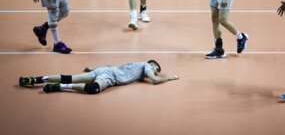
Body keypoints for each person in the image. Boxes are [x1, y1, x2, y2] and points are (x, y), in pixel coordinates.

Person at [19, 60, 179, 94]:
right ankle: (58, 87)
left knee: (69, 77)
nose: (154, 72)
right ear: (151, 64)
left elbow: (113, 66)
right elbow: (156, 81)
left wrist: (94, 69)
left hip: (104, 70)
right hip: (109, 76)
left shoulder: (136, 70)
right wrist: (169, 77)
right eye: (155, 69)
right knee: (93, 89)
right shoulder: (145, 65)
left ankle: (36, 80)